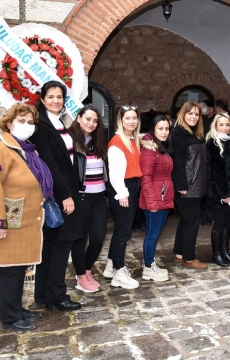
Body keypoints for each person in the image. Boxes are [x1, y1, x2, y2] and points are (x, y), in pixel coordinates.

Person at [0, 104, 48, 331]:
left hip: (24, 222)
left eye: (30, 123)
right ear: (9, 123)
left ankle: (17, 308)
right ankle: (9, 317)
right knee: (9, 270)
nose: (26, 126)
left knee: (19, 268)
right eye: (21, 121)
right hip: (8, 221)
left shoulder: (26, 150)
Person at [30, 80, 82, 312]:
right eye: (51, 97)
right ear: (42, 99)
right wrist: (66, 195)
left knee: (51, 245)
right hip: (59, 192)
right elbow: (50, 163)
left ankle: (43, 294)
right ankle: (57, 295)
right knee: (63, 242)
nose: (55, 101)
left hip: (61, 190)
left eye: (59, 97)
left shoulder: (55, 121)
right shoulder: (41, 125)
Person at [68, 105, 108, 293]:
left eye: (95, 120)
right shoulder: (70, 141)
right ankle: (81, 275)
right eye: (87, 119)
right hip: (81, 197)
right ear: (78, 118)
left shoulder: (97, 141)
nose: (91, 123)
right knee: (80, 239)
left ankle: (87, 268)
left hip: (99, 197)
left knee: (98, 238)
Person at [102, 105, 143, 289]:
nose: (131, 121)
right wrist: (122, 193)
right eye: (128, 118)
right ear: (121, 120)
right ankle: (119, 271)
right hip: (123, 187)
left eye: (134, 118)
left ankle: (111, 265)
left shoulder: (133, 140)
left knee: (122, 229)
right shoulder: (117, 142)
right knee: (123, 232)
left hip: (132, 186)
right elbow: (115, 172)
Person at [171, 101, 208, 270]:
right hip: (187, 186)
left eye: (196, 114)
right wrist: (181, 184)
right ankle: (189, 257)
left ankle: (179, 254)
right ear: (183, 114)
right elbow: (178, 161)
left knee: (186, 220)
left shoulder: (193, 134)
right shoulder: (179, 134)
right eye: (190, 113)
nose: (193, 117)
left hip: (195, 184)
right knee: (191, 222)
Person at [139, 115, 174, 281]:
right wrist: (152, 202)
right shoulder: (149, 149)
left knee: (156, 232)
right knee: (152, 234)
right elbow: (145, 177)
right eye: (160, 128)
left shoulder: (161, 147)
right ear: (153, 129)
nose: (164, 132)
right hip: (153, 197)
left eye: (166, 128)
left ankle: (149, 261)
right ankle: (148, 267)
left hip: (163, 195)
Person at [206, 113, 230, 267]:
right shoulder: (213, 143)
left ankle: (226, 252)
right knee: (219, 224)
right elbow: (218, 172)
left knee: (227, 224)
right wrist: (225, 194)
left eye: (227, 125)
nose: (224, 127)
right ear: (215, 126)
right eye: (221, 124)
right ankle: (217, 254)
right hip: (220, 193)